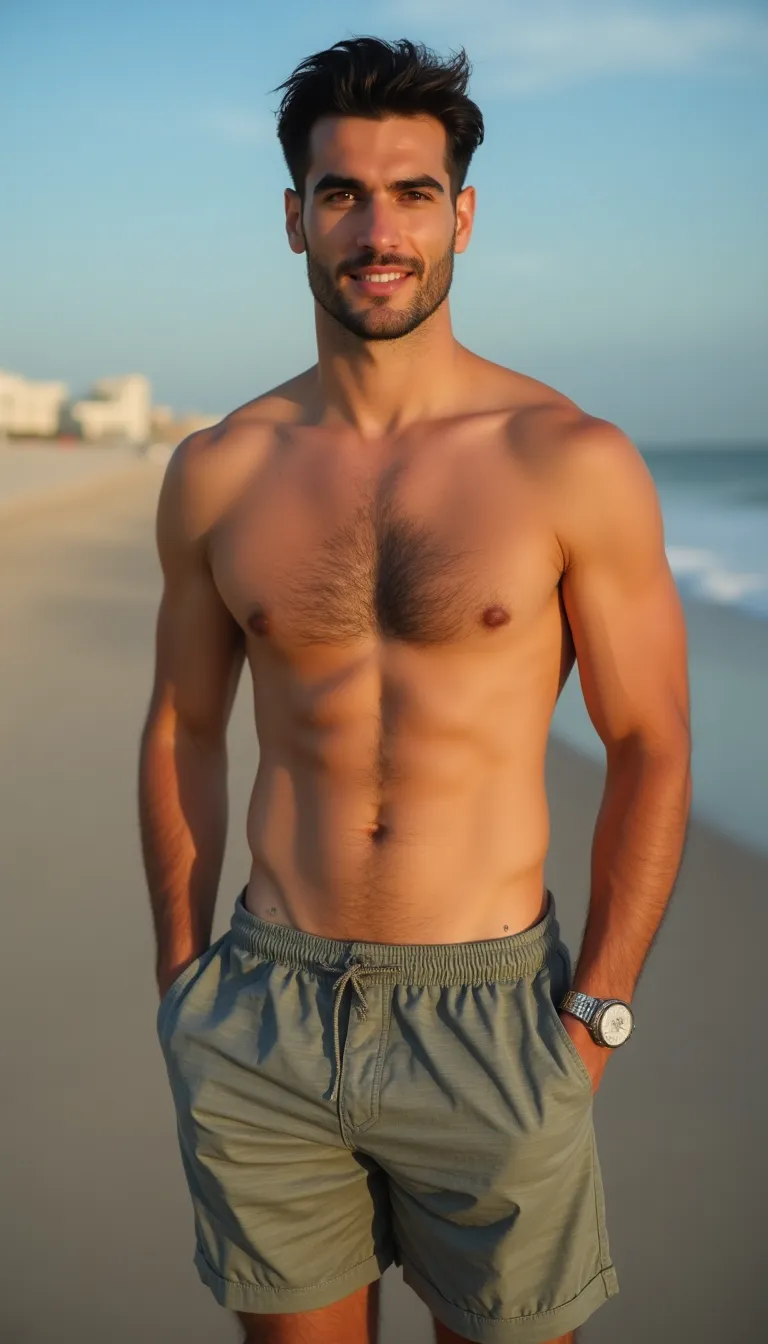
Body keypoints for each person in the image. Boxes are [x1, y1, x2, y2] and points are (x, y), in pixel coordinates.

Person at [139, 36, 691, 1344]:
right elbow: (184, 727)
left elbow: (649, 741)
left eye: (413, 194)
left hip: (497, 1019)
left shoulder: (569, 459)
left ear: (465, 215)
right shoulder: (221, 470)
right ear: (294, 217)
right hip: (266, 1007)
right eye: (341, 194)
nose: (376, 229)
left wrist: (597, 1012)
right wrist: (178, 981)